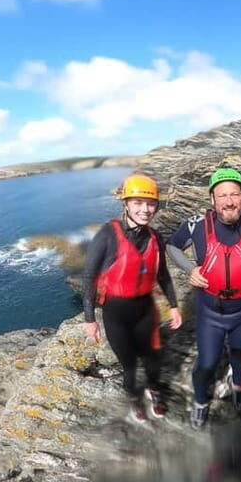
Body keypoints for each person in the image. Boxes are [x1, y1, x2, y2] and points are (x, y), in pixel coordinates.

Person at [166, 167, 241, 429]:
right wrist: (190, 269)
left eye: (235, 194)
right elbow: (173, 245)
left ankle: (238, 386)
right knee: (207, 363)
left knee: (240, 354)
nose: (229, 201)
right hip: (210, 311)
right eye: (222, 195)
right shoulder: (196, 224)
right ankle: (200, 401)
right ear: (212, 200)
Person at [82, 174, 183, 423]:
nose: (145, 210)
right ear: (125, 204)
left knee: (152, 359)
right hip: (116, 314)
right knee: (129, 366)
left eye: (150, 204)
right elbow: (89, 277)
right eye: (137, 203)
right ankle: (135, 399)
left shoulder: (154, 237)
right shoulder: (107, 234)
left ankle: (155, 391)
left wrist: (174, 306)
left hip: (145, 310)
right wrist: (89, 320)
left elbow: (163, 275)